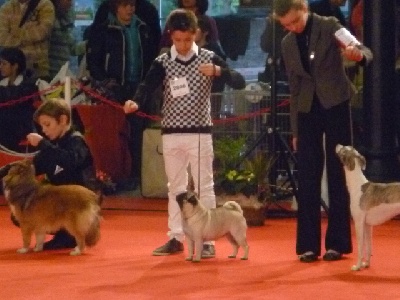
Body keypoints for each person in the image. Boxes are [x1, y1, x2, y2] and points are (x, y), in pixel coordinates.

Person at [124, 9, 245, 257]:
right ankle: (176, 237)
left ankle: (208, 242)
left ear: (196, 34)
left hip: (200, 133)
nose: (182, 45)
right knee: (175, 188)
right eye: (177, 40)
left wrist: (219, 72)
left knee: (204, 186)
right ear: (170, 36)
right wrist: (135, 102)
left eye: (187, 40)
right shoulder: (162, 62)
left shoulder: (209, 57)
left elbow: (239, 80)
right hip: (171, 133)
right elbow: (147, 85)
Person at [273, 0, 372, 262]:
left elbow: (363, 51)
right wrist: (295, 130)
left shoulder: (329, 26)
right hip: (306, 110)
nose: (292, 28)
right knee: (307, 175)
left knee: (340, 172)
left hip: (336, 103)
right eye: (286, 25)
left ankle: (337, 244)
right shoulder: (286, 44)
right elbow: (294, 90)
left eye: (296, 21)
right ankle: (307, 245)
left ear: (304, 9)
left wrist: (356, 54)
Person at [1, 98, 98, 250]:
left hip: (78, 202)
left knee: (56, 197)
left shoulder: (76, 141)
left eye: (47, 125)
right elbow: (30, 167)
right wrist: (4, 172)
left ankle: (70, 234)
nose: (44, 130)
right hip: (58, 203)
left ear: (63, 120)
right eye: (42, 126)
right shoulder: (51, 146)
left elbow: (69, 161)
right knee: (19, 214)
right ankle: (63, 231)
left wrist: (42, 144)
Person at [87, 0, 155, 188]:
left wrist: (147, 83)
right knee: (116, 134)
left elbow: (150, 58)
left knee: (137, 132)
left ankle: (136, 174)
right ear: (115, 7)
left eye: (132, 5)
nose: (130, 9)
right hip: (113, 90)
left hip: (138, 88)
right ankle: (116, 174)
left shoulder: (143, 28)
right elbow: (93, 62)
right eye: (125, 5)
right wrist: (107, 83)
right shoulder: (103, 30)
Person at [0, 0, 55, 80]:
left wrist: (14, 33)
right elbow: (2, 38)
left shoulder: (45, 5)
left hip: (38, 70)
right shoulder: (6, 7)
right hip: (12, 73)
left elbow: (42, 33)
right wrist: (27, 37)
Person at [0, 47, 37, 152]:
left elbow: (12, 99)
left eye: (4, 64)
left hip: (17, 130)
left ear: (15, 66)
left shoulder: (27, 86)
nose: (1, 67)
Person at [48, 0, 86, 79]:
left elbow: (73, 49)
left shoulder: (65, 21)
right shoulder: (48, 19)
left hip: (61, 74)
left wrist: (91, 43)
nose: (71, 3)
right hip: (47, 74)